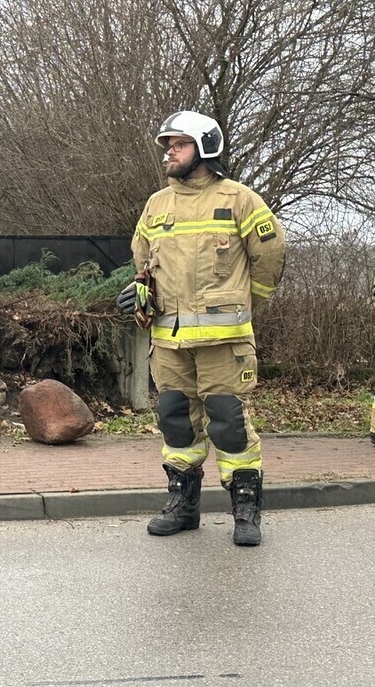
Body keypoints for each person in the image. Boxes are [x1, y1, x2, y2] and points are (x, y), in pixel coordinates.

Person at [117, 111, 285, 546]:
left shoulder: (240, 199)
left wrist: (248, 303)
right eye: (168, 145)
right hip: (168, 343)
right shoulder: (157, 204)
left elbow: (269, 258)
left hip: (224, 342)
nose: (169, 151)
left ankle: (246, 510)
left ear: (205, 148)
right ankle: (183, 506)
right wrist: (138, 292)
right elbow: (143, 261)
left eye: (179, 144)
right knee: (175, 422)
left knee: (228, 423)